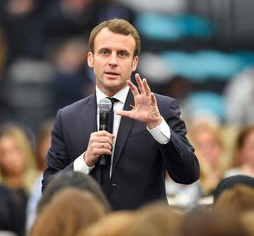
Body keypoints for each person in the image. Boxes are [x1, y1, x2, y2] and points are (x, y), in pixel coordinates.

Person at [43, 18, 200, 210]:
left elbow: (188, 174)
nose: (113, 62)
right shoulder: (67, 117)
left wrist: (157, 125)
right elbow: (49, 190)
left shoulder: (161, 109)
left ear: (134, 63)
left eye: (122, 54)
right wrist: (85, 161)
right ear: (90, 59)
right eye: (105, 52)